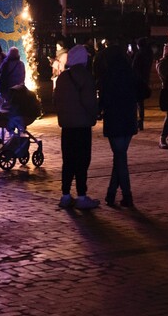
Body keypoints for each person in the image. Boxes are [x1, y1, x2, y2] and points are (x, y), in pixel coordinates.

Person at [54, 44, 100, 209]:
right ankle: (81, 196)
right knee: (82, 161)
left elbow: (56, 101)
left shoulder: (62, 78)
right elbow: (90, 102)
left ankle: (65, 195)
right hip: (82, 125)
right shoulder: (86, 77)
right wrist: (94, 115)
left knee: (68, 161)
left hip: (66, 126)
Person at [98, 38, 138, 207]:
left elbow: (103, 100)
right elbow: (145, 90)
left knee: (120, 157)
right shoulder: (130, 73)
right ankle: (111, 193)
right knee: (120, 157)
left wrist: (99, 110)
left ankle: (127, 195)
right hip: (128, 119)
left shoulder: (107, 76)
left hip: (114, 120)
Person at [131, 38, 154, 131]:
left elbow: (133, 67)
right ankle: (141, 121)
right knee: (141, 102)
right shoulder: (149, 54)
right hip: (145, 79)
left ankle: (138, 122)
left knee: (137, 102)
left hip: (137, 80)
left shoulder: (139, 54)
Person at [0, 46, 26, 111]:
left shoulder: (5, 63)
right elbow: (22, 76)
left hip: (6, 87)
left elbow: (0, 73)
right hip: (17, 88)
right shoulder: (20, 64)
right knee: (16, 103)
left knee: (7, 104)